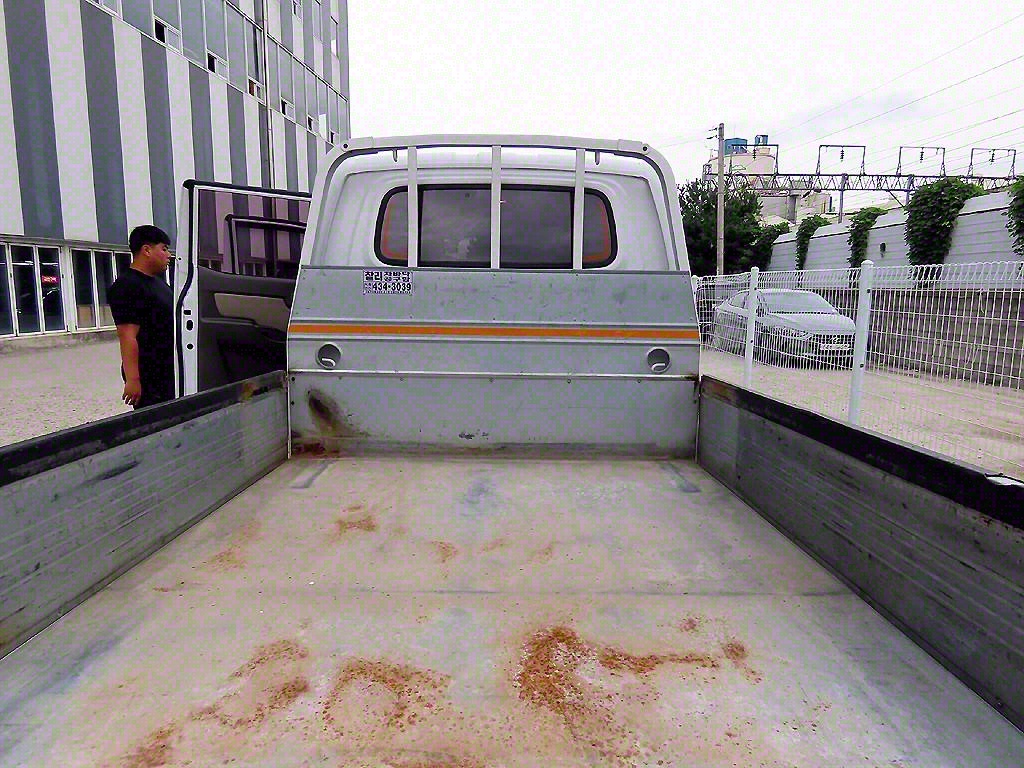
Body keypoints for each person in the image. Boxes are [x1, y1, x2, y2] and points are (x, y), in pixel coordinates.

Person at [108, 225, 175, 409]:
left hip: (169, 372)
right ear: (146, 250)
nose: (168, 255)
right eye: (164, 249)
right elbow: (127, 335)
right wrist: (133, 380)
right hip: (151, 377)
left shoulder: (159, 284)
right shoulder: (127, 286)